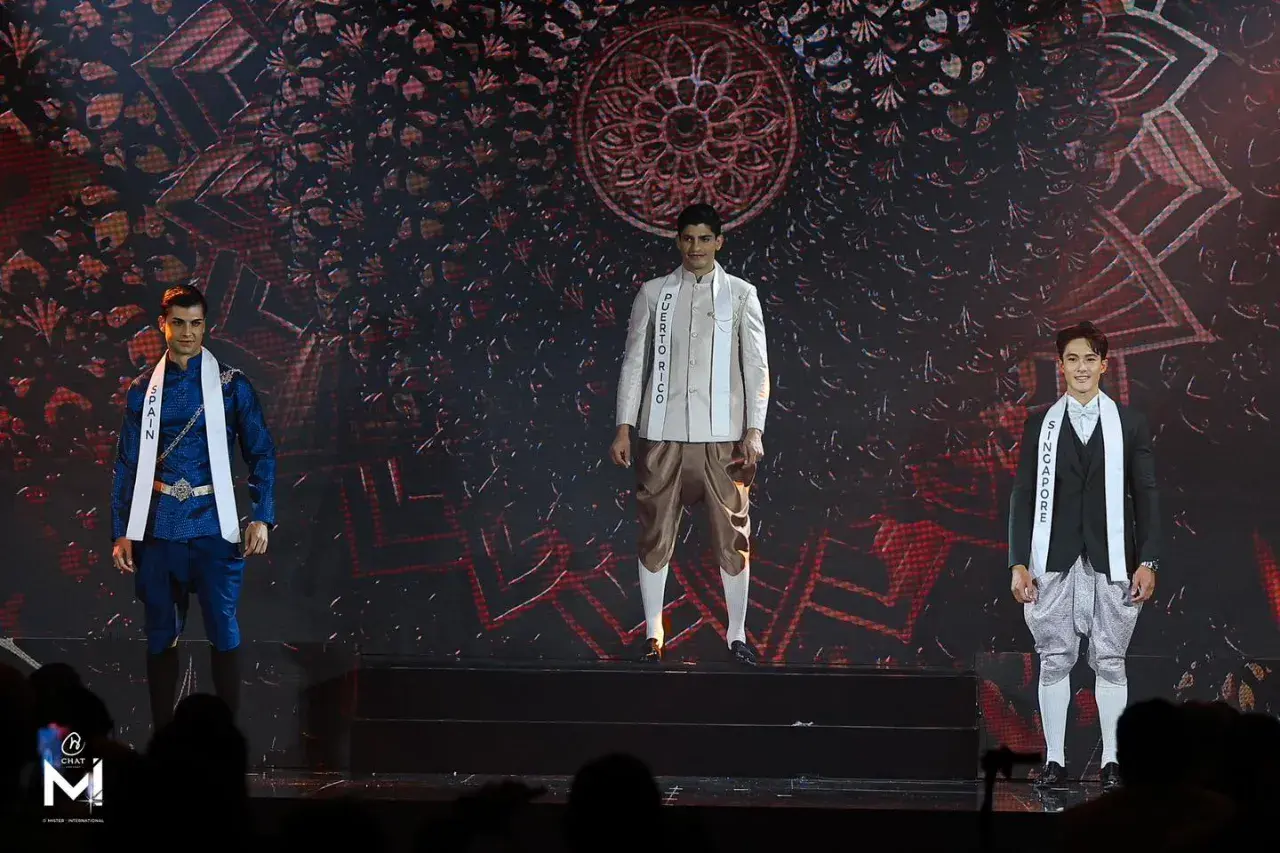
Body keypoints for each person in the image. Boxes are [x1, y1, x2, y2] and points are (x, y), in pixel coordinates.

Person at [609, 204, 770, 665]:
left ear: (719, 241)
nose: (695, 247)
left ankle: (736, 636)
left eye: (704, 239)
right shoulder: (653, 293)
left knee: (732, 536)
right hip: (662, 432)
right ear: (678, 241)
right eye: (688, 239)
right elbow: (634, 361)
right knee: (654, 533)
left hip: (724, 436)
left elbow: (756, 366)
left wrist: (754, 429)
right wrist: (625, 427)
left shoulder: (740, 295)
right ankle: (653, 635)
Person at [109, 284, 276, 729]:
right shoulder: (143, 388)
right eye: (178, 323)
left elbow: (260, 452)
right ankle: (164, 735)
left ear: (206, 326)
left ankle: (229, 735)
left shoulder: (232, 385)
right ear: (162, 325)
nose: (188, 332)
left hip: (214, 525)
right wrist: (122, 530)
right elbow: (126, 462)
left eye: (196, 323)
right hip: (159, 526)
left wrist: (261, 514)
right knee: (161, 632)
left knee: (222, 627)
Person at [1008, 321, 1160, 789]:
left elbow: (1147, 494)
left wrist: (1148, 560)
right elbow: (1023, 494)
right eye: (1072, 359)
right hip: (1052, 557)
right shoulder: (1041, 424)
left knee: (1110, 660)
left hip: (1113, 558)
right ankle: (1055, 761)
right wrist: (1017, 561)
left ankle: (1112, 761)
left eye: (1089, 359)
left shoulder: (1130, 423)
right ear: (1060, 366)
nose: (1080, 367)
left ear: (1104, 365)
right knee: (1055, 658)